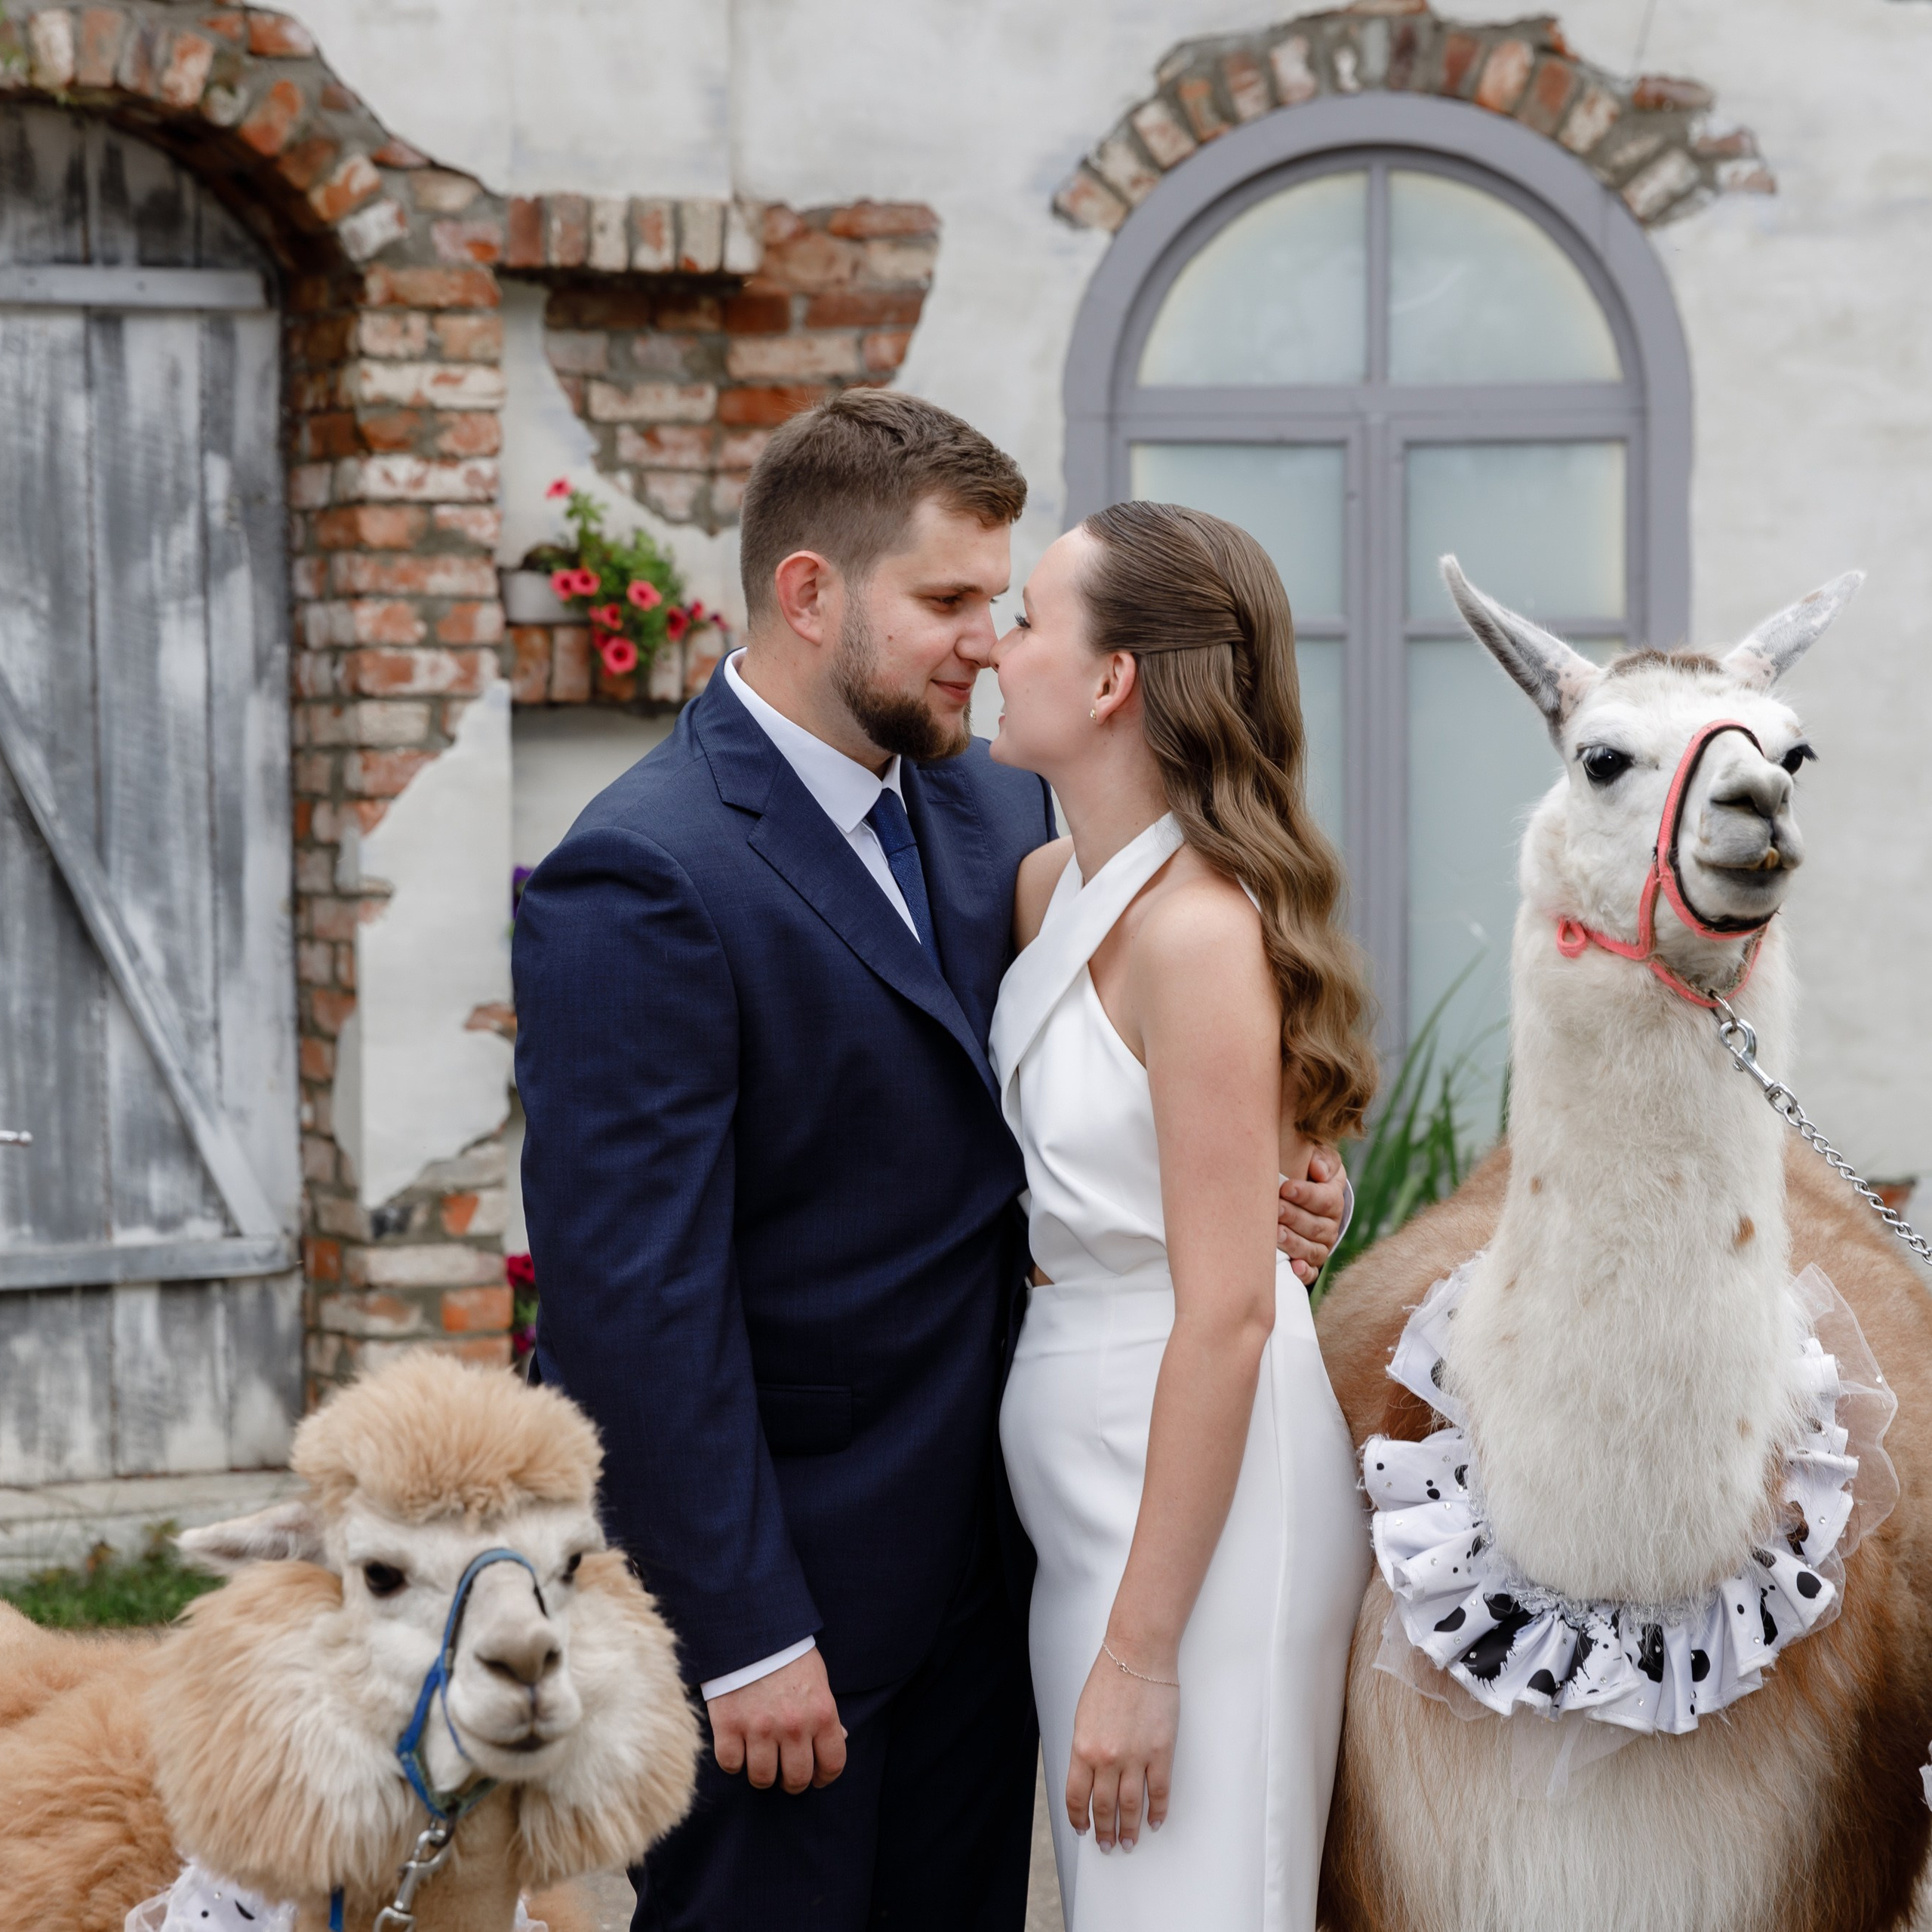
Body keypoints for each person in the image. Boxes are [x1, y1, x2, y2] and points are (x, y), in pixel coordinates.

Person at [514, 392, 1349, 1931]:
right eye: (951, 600)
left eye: (1004, 603)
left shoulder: (997, 804)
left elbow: (1139, 1057)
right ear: (810, 593)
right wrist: (742, 1629)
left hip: (1018, 1558)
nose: (983, 642)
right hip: (800, 1602)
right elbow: (632, 1301)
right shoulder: (643, 869)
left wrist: (1287, 1176)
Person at [990, 500, 1376, 1931]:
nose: (993, 651)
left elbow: (1226, 1313)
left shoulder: (1203, 933)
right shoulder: (1051, 892)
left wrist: (1143, 1652)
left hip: (1200, 1491)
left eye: (1025, 620)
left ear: (1112, 680)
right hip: (1081, 1472)